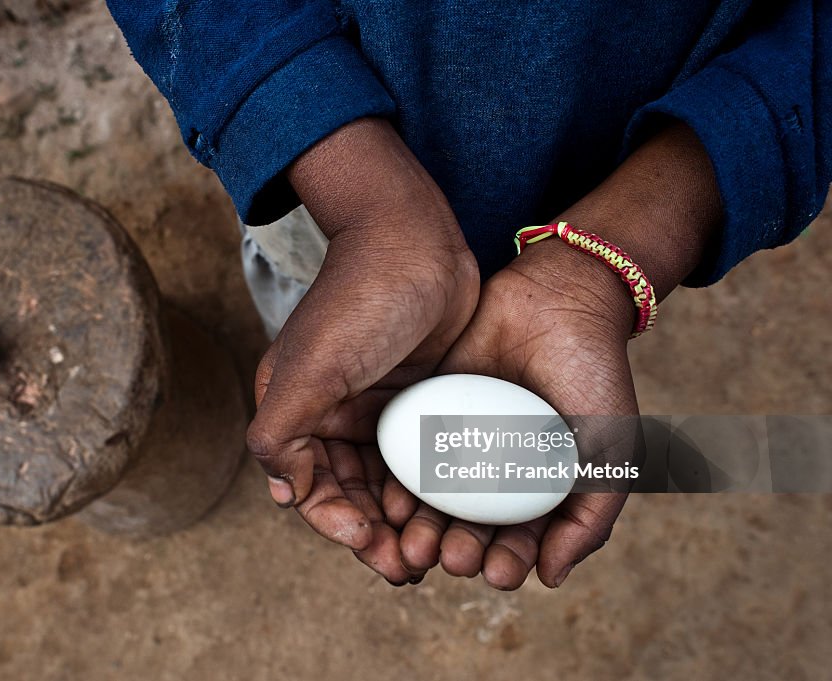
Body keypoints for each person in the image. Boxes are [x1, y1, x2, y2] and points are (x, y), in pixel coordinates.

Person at [106, 1, 831, 589]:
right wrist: (361, 194)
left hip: (623, 169)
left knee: (338, 354)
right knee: (319, 321)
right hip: (325, 186)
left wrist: (632, 243)